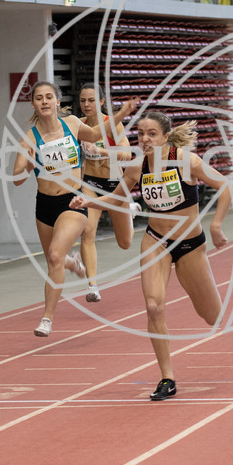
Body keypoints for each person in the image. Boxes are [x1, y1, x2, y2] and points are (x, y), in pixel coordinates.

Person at [70, 111, 232, 401]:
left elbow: (225, 187)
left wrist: (217, 224)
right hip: (156, 241)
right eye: (141, 133)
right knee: (154, 307)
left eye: (151, 134)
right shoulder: (136, 167)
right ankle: (167, 378)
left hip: (190, 243)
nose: (144, 139)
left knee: (212, 316)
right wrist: (89, 200)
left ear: (165, 137)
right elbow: (118, 198)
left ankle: (207, 296)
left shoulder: (186, 161)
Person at [12, 81, 107, 337]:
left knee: (54, 256)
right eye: (39, 98)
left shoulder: (73, 124)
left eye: (49, 97)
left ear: (57, 101)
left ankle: (47, 318)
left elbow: (96, 135)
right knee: (54, 258)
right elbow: (17, 178)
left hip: (72, 200)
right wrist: (29, 164)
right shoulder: (30, 138)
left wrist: (120, 114)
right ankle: (72, 263)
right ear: (33, 104)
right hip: (44, 205)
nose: (44, 101)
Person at [75, 85, 138, 302]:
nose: (86, 105)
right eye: (83, 100)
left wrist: (101, 151)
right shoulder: (79, 125)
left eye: (91, 100)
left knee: (125, 243)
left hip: (114, 183)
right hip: (90, 183)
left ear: (101, 102)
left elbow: (127, 154)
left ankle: (129, 210)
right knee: (88, 230)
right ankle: (92, 285)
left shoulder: (112, 124)